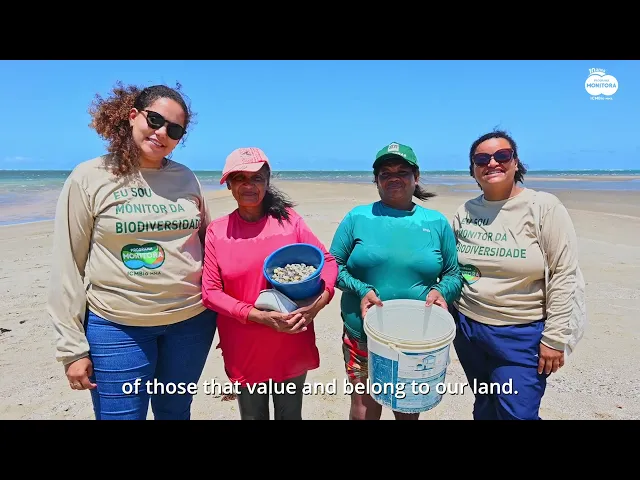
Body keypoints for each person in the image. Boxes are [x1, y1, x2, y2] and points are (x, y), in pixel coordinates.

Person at [46, 82, 217, 420]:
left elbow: (210, 247)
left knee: (175, 412)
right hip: (118, 326)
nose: (162, 132)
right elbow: (67, 265)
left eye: (174, 129)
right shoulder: (89, 177)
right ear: (133, 116)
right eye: (155, 120)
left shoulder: (186, 178)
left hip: (191, 324)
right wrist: (72, 348)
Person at [450, 129, 581, 420]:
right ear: (473, 169)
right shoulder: (465, 211)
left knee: (517, 413)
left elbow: (563, 273)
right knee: (486, 404)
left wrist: (554, 338)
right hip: (468, 329)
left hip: (521, 333)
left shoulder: (543, 207)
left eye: (502, 155)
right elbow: (454, 268)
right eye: (481, 159)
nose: (492, 163)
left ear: (516, 162)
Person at [201, 147, 338, 420]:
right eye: (240, 178)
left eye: (257, 178)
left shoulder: (289, 221)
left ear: (267, 181)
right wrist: (258, 316)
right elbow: (211, 293)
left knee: (291, 414)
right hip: (244, 343)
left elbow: (328, 262)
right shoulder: (218, 230)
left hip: (291, 336)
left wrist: (317, 304)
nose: (248, 185)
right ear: (228, 185)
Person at [329, 142, 463, 420]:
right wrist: (361, 289)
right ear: (376, 180)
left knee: (407, 409)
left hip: (417, 339)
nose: (394, 178)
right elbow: (332, 267)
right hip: (362, 333)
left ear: (416, 177)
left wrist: (441, 291)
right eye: (385, 173)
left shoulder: (436, 222)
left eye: (402, 172)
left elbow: (453, 274)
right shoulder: (357, 217)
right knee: (363, 409)